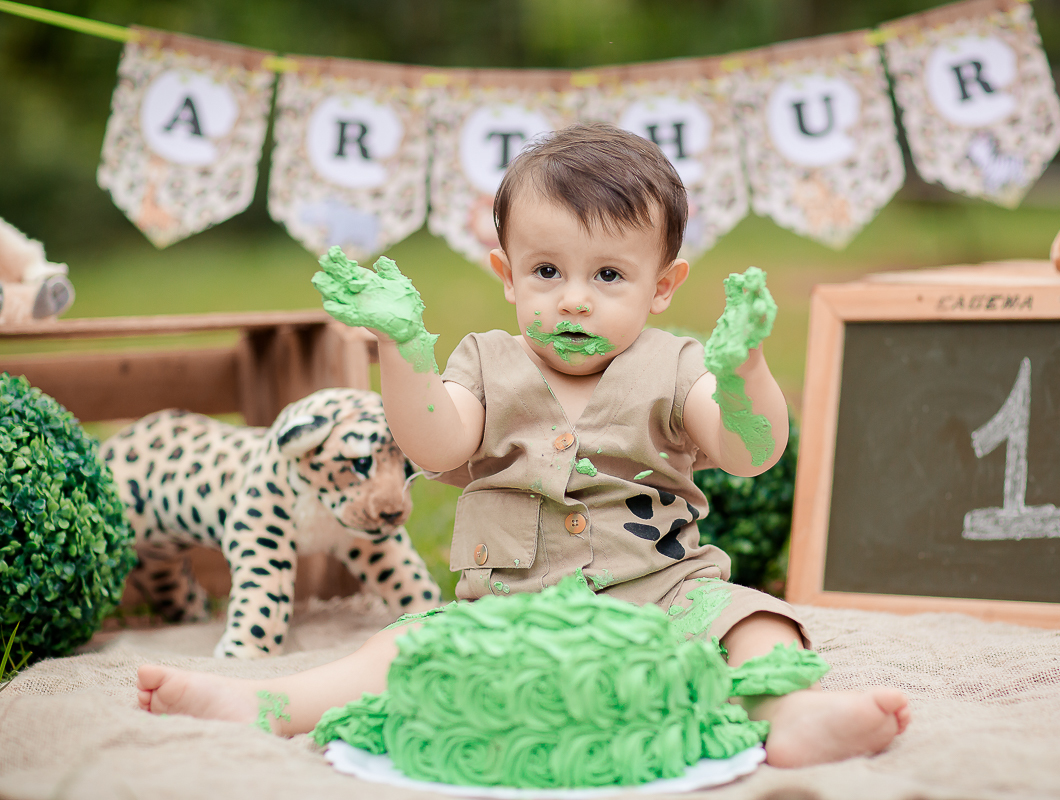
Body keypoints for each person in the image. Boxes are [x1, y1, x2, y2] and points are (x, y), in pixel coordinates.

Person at [137, 122, 909, 769]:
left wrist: (742, 371)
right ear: (507, 275)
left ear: (663, 286)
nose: (573, 296)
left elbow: (749, 451)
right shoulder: (485, 362)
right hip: (508, 603)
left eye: (609, 274)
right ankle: (271, 703)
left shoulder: (675, 365)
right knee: (403, 648)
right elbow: (437, 446)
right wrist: (403, 352)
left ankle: (790, 711)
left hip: (663, 594)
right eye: (546, 270)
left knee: (752, 621)